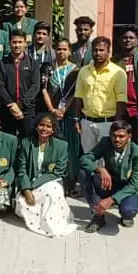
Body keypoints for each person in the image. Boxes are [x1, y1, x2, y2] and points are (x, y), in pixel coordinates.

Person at [15, 114, 75, 237]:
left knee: (52, 192)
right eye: (41, 125)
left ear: (53, 130)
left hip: (51, 182)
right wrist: (26, 189)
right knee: (22, 202)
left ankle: (50, 224)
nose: (44, 129)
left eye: (48, 126)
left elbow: (58, 172)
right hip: (29, 183)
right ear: (36, 127)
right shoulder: (26, 143)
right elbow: (21, 170)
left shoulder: (61, 146)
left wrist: (32, 185)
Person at [81, 120, 138, 232]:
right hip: (109, 183)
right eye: (114, 136)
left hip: (127, 188)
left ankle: (124, 212)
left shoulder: (137, 153)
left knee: (128, 211)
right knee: (83, 172)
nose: (117, 140)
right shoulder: (105, 142)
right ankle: (98, 215)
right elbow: (85, 159)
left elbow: (134, 185)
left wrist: (111, 199)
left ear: (129, 136)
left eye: (121, 136)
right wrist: (100, 169)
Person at [70, 37, 126, 160]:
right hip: (87, 123)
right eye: (95, 50)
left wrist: (117, 124)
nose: (98, 53)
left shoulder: (118, 72)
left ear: (108, 51)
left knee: (107, 160)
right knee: (89, 159)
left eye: (101, 50)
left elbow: (121, 99)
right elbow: (78, 96)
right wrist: (76, 120)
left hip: (107, 123)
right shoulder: (84, 71)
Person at [45, 39, 81, 195]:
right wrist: (52, 109)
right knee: (53, 148)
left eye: (64, 49)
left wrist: (64, 109)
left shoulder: (76, 70)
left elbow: (77, 92)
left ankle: (70, 183)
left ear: (69, 51)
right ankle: (54, 180)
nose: (61, 52)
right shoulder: (48, 68)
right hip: (52, 114)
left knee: (70, 149)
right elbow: (44, 90)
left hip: (70, 114)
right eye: (58, 49)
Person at [0, 29, 42, 137]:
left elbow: (35, 86)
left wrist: (21, 104)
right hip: (7, 109)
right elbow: (0, 86)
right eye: (14, 42)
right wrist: (11, 105)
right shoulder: (2, 64)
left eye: (20, 42)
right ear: (9, 43)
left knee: (28, 140)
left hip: (27, 109)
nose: (17, 45)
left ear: (25, 43)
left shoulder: (32, 63)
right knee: (8, 140)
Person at [115, 26, 138, 130]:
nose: (128, 40)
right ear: (120, 41)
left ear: (137, 40)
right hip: (119, 109)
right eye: (125, 38)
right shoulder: (113, 62)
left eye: (131, 38)